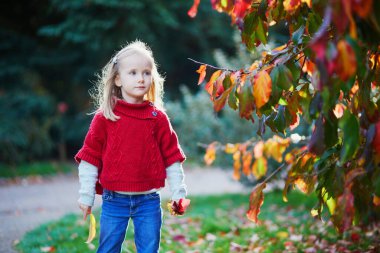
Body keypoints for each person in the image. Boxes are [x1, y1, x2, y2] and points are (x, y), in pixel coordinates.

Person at [74, 40, 189, 253]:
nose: (141, 79)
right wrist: (86, 195)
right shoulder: (105, 118)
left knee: (148, 249)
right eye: (133, 73)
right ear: (118, 79)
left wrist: (178, 193)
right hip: (113, 200)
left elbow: (172, 158)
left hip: (148, 201)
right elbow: (90, 158)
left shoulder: (158, 118)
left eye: (146, 73)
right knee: (108, 249)